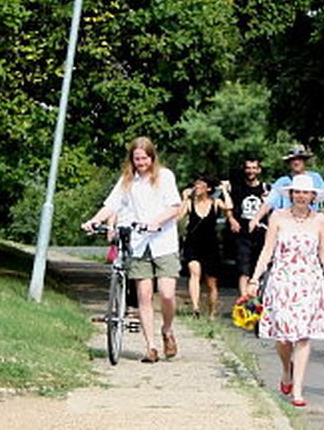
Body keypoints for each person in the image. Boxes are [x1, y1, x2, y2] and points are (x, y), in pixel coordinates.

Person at [81, 137, 182, 363]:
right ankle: (151, 347)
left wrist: (156, 221)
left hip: (163, 241)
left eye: (144, 158)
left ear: (152, 157)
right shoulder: (127, 180)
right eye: (137, 159)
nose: (141, 162)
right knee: (144, 296)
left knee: (166, 294)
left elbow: (175, 207)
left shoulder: (165, 177)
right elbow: (112, 204)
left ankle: (167, 329)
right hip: (138, 243)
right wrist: (94, 220)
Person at [247, 174, 324, 408]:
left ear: (312, 196)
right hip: (282, 281)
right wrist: (255, 278)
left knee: (302, 336)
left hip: (309, 282)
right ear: (290, 194)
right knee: (283, 335)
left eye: (305, 192)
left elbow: (323, 253)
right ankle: (286, 369)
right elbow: (267, 250)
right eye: (297, 192)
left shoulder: (320, 220)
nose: (301, 196)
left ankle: (298, 389)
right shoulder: (278, 217)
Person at [180, 173, 224, 318]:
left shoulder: (215, 202)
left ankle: (212, 313)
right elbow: (178, 216)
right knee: (194, 273)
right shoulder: (190, 203)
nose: (196, 187)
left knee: (211, 282)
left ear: (208, 188)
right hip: (193, 243)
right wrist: (184, 198)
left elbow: (229, 206)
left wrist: (224, 191)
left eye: (200, 185)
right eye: (195, 184)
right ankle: (196, 308)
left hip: (210, 245)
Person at [227, 157, 270, 297]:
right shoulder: (237, 187)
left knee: (260, 268)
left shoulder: (266, 188)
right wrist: (231, 219)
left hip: (261, 233)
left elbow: (274, 210)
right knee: (243, 270)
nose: (251, 171)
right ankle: (244, 303)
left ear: (259, 170)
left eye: (254, 168)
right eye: (248, 168)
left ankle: (258, 301)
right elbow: (228, 205)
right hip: (242, 234)